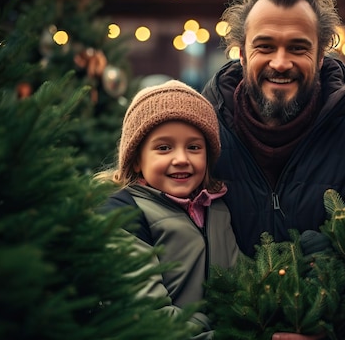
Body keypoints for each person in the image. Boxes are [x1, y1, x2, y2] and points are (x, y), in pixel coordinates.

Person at [201, 0, 345, 259]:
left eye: (298, 48)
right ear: (241, 53)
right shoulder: (200, 141)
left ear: (321, 56)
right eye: (265, 46)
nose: (280, 63)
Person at [96, 80, 239, 339]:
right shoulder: (125, 214)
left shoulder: (217, 207)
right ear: (137, 160)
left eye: (194, 147)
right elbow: (149, 319)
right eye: (164, 148)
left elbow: (240, 277)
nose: (182, 159)